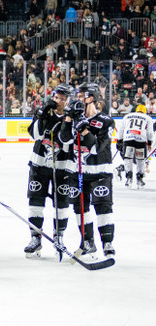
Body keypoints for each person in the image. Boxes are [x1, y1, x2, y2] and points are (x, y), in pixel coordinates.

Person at [60, 83, 116, 258]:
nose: (78, 98)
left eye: (81, 95)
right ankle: (87, 241)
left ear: (91, 97)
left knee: (103, 206)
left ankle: (107, 242)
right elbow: (65, 141)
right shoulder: (76, 118)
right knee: (80, 207)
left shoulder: (106, 121)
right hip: (79, 171)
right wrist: (69, 119)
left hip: (100, 171)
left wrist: (84, 129)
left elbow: (96, 148)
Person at [22, 84, 74, 259]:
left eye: (62, 98)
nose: (58, 101)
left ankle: (58, 237)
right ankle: (35, 238)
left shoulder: (72, 117)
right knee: (35, 202)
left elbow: (68, 141)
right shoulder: (45, 112)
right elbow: (35, 135)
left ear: (68, 101)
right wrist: (40, 115)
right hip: (39, 165)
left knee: (62, 205)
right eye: (56, 97)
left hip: (62, 168)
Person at [117, 105, 154, 188]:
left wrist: (119, 140)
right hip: (141, 139)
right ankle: (139, 179)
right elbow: (150, 132)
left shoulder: (127, 116)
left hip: (128, 138)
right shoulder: (147, 118)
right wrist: (150, 143)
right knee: (140, 159)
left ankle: (129, 178)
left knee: (128, 159)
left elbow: (122, 129)